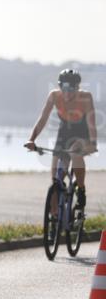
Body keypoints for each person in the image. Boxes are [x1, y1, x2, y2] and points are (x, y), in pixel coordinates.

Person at [24, 69, 98, 211]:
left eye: (71, 89)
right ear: (59, 86)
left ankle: (81, 191)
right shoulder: (54, 96)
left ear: (77, 87)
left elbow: (92, 124)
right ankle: (55, 222)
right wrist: (32, 139)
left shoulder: (86, 97)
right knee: (56, 180)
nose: (67, 92)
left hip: (82, 133)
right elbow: (43, 119)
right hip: (64, 132)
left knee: (75, 153)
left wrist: (92, 143)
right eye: (63, 88)